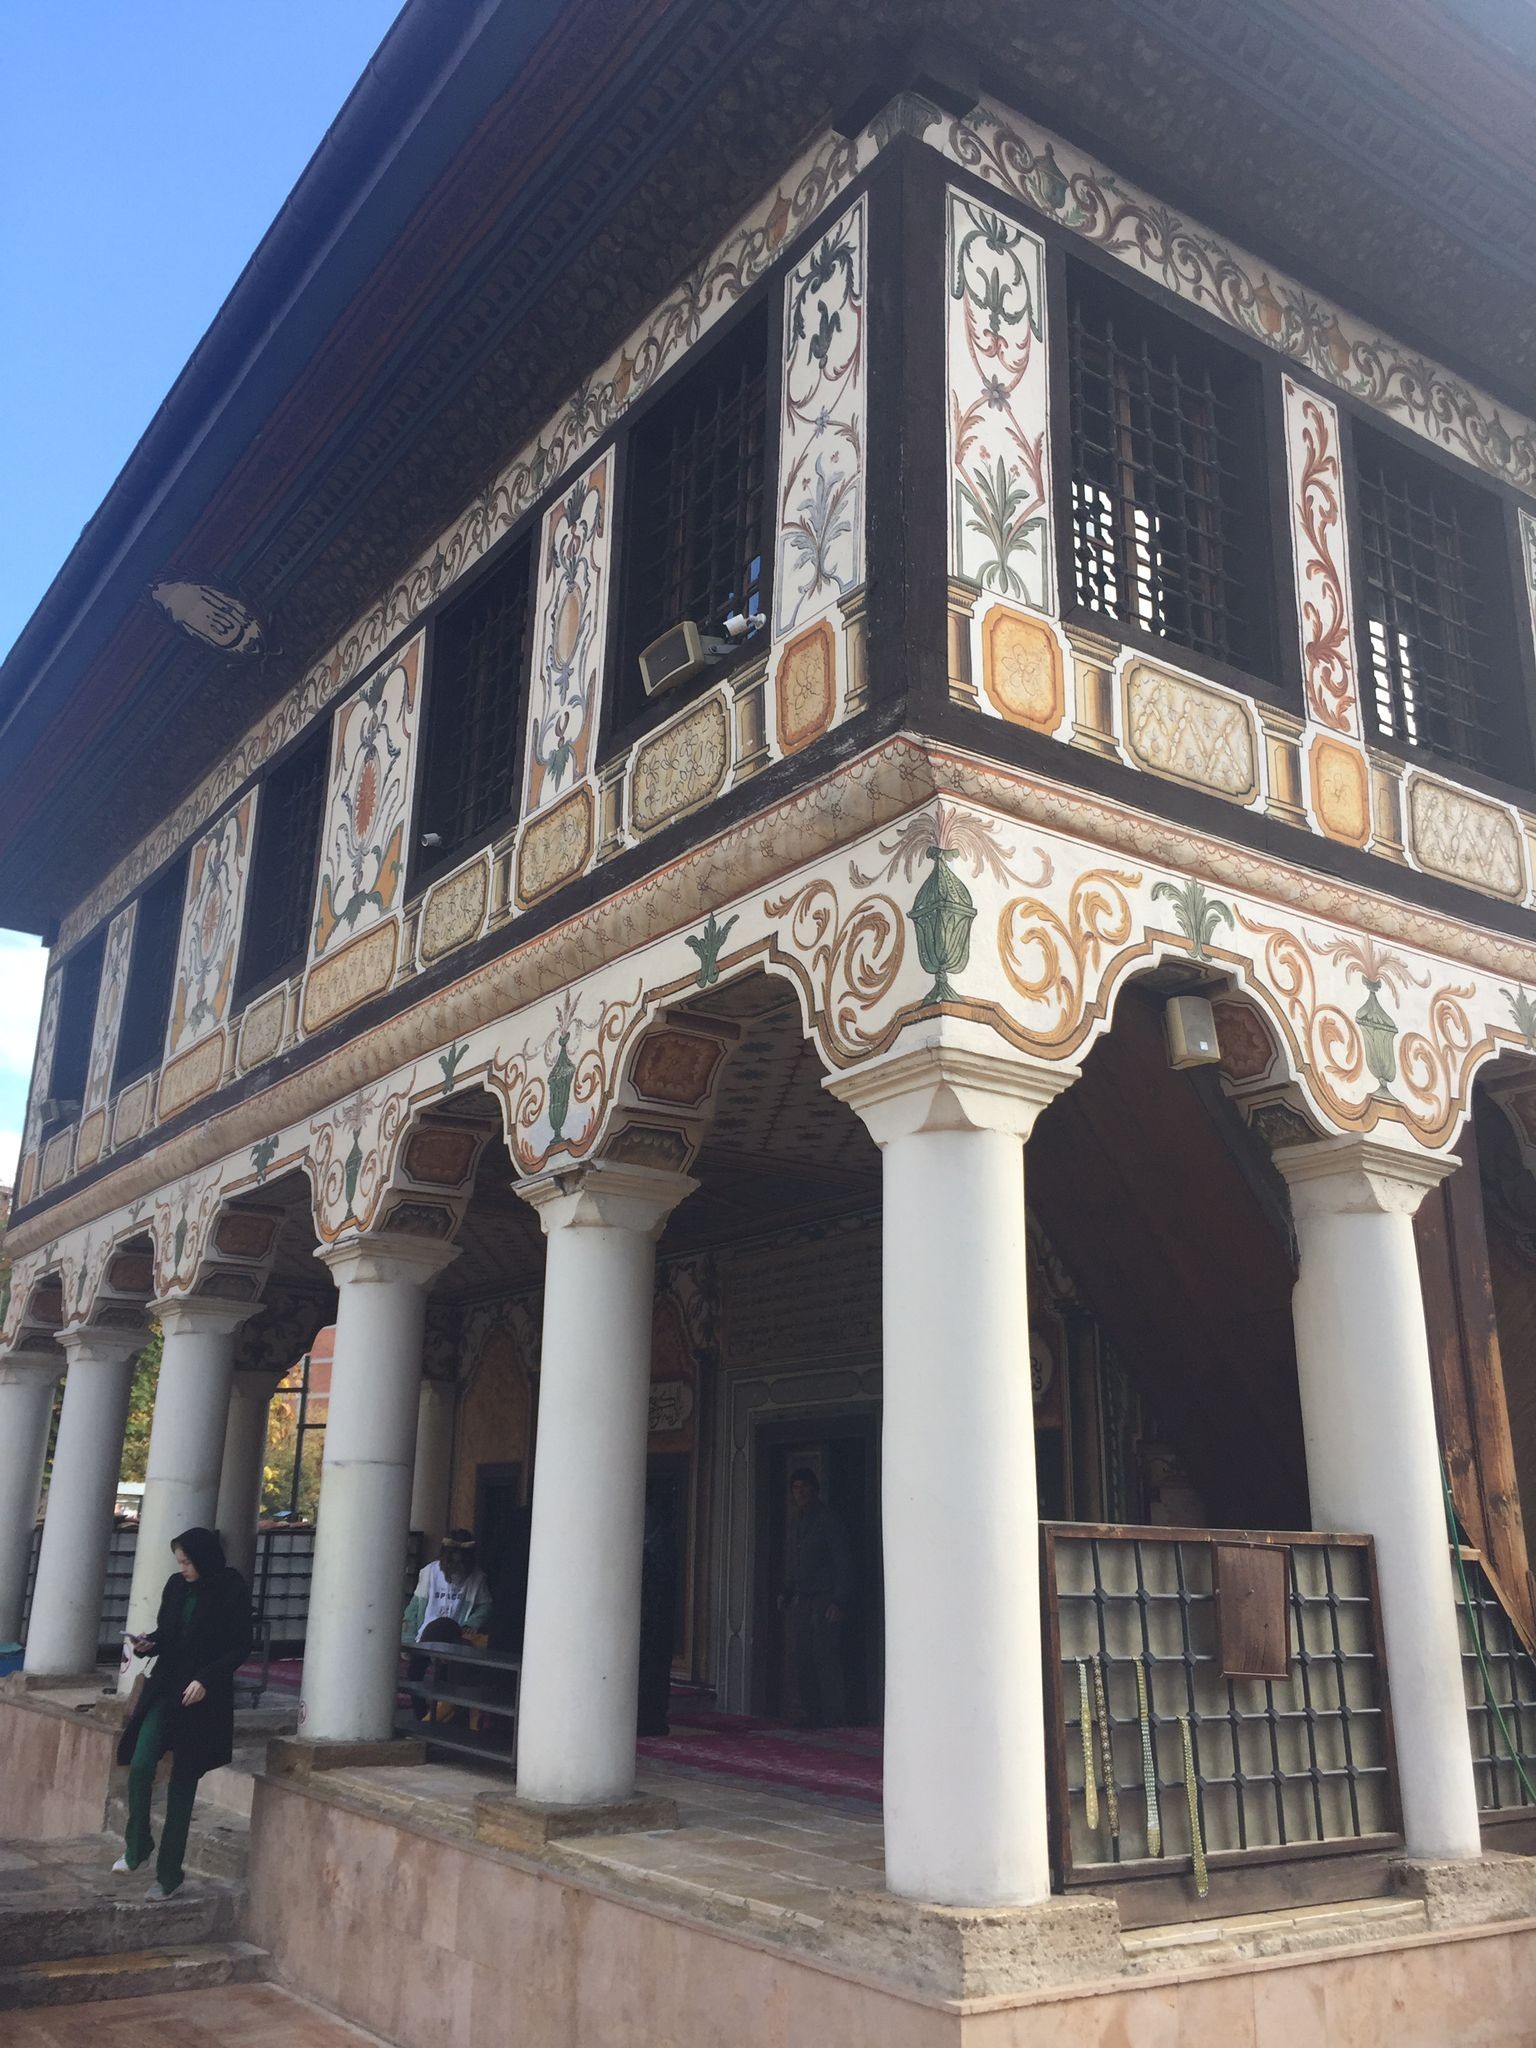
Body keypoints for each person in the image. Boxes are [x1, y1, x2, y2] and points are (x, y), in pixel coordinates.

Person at [113, 1526, 253, 1898]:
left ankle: (168, 1876)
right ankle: (138, 1844)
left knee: (182, 1784)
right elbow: (168, 1633)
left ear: (204, 1558)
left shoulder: (231, 1589)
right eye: (179, 1562)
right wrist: (147, 1644)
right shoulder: (176, 1586)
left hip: (203, 1699)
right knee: (141, 1763)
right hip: (167, 1687)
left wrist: (207, 1678)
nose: (183, 1568)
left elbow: (240, 1646)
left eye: (188, 1562)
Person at [777, 1468, 853, 1730]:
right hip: (804, 1598)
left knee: (825, 1657)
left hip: (824, 1598)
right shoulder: (799, 1522)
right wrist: (788, 1590)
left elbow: (843, 1561)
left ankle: (834, 1716)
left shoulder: (828, 1520)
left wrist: (840, 1600)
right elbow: (798, 1561)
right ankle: (813, 1713)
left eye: (804, 1487)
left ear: (815, 1489)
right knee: (802, 1657)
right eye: (795, 1488)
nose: (800, 1493)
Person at [401, 1530, 492, 1722]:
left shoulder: (477, 1578)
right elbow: (414, 1608)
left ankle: (438, 1719)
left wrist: (471, 1624)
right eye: (452, 1557)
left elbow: (485, 1606)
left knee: (445, 1682)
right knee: (414, 1675)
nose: (456, 1563)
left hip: (455, 1637)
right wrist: (408, 1639)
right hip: (424, 1635)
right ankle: (421, 1716)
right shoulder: (429, 1573)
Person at [636, 1491, 677, 1738]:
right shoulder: (657, 1540)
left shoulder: (656, 1543)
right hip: (651, 1617)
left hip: (653, 1616)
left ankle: (649, 1720)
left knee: (651, 1669)